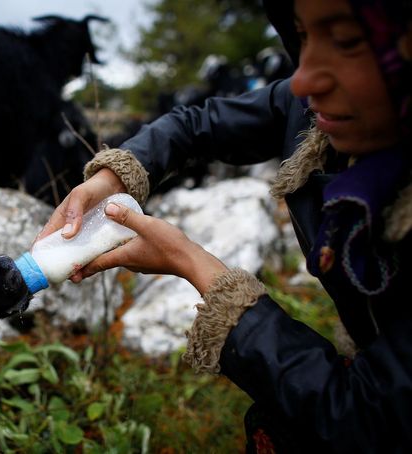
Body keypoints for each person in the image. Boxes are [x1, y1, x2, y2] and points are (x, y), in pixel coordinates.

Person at [36, 0, 412, 451]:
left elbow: (364, 420)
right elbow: (196, 124)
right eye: (303, 37)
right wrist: (116, 174)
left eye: (349, 42)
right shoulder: (313, 114)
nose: (306, 79)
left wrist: (192, 264)